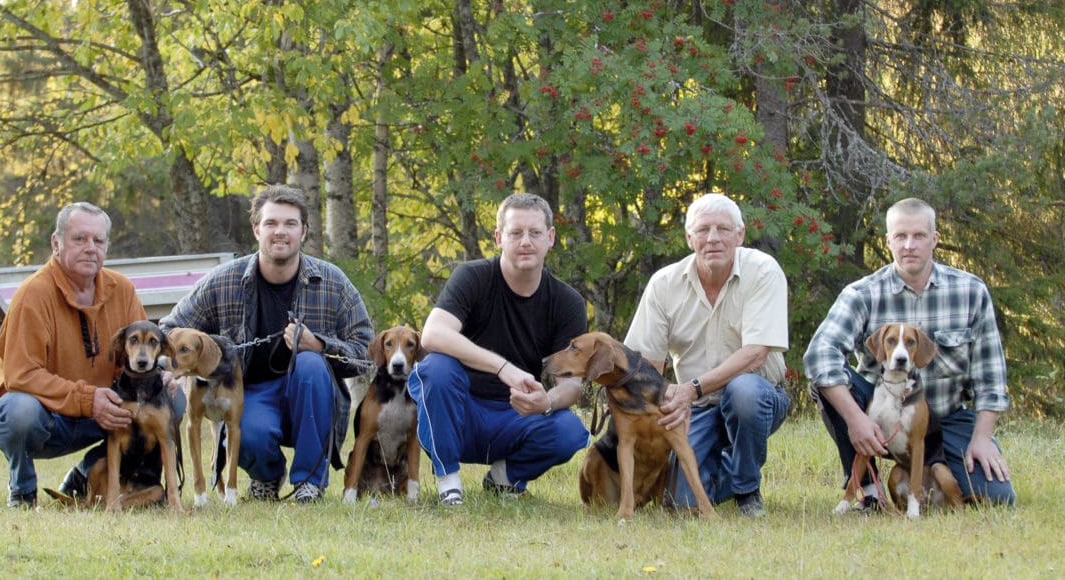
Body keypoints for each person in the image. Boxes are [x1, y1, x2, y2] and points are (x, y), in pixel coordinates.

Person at [160, 185, 373, 504]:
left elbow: (366, 354)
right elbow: (170, 329)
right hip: (250, 393)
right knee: (248, 432)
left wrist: (321, 345)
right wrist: (173, 365)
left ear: (304, 232)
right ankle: (266, 476)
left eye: (290, 224)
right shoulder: (223, 280)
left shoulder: (333, 282)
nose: (280, 232)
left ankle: (309, 484)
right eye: (271, 223)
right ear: (256, 229)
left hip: (311, 394)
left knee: (311, 364)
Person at [803, 197, 1015, 509]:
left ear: (935, 240)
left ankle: (936, 485)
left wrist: (982, 437)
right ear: (888, 241)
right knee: (828, 379)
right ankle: (868, 492)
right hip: (879, 415)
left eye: (919, 236)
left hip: (945, 420)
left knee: (997, 499)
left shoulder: (970, 291)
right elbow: (819, 355)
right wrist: (856, 419)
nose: (909, 245)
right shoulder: (862, 293)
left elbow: (991, 376)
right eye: (900, 236)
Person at [0, 202, 184, 508]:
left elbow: (135, 360)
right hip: (43, 415)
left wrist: (161, 375)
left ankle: (88, 475)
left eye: (98, 241)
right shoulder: (32, 295)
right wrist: (88, 399)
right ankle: (21, 489)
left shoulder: (122, 290)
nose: (90, 248)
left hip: (99, 412)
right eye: (80, 239)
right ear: (56, 243)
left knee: (172, 400)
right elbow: (21, 376)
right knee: (19, 411)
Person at [408, 192, 589, 506]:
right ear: (498, 238)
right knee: (436, 368)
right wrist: (504, 368)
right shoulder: (473, 277)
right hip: (458, 412)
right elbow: (432, 334)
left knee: (571, 429)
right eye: (515, 233)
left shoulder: (567, 302)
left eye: (534, 233)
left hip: (516, 416)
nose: (525, 242)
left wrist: (546, 401)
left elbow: (572, 384)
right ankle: (448, 482)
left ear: (550, 238)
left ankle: (505, 478)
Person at [622, 193, 790, 518]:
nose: (713, 238)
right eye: (703, 230)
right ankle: (719, 466)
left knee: (744, 393)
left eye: (723, 229)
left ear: (740, 235)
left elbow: (755, 354)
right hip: (696, 408)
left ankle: (746, 488)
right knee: (680, 502)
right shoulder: (663, 284)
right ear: (689, 238)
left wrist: (690, 388)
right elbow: (647, 366)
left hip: (757, 397)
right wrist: (664, 401)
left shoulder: (763, 271)